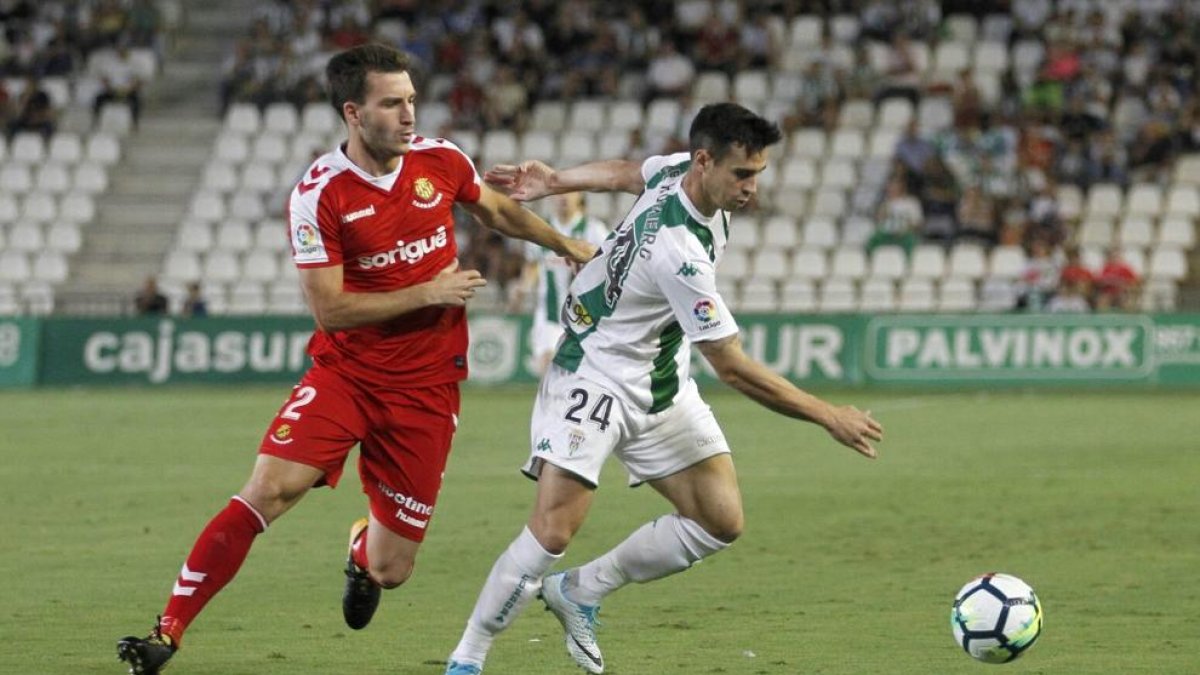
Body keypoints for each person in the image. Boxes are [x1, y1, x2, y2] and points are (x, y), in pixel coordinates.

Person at [115, 44, 596, 675]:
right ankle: (168, 631)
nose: (408, 115)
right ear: (353, 112)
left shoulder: (439, 160)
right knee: (268, 490)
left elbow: (496, 208)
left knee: (392, 570)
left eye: (412, 101)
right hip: (347, 376)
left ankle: (361, 546)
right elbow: (331, 311)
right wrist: (429, 291)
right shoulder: (320, 195)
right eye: (391, 103)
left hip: (426, 389)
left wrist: (565, 243)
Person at [443, 103, 883, 675]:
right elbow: (732, 368)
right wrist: (828, 415)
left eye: (758, 174)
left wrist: (557, 181)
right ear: (706, 162)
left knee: (719, 521)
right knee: (553, 529)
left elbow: (630, 171)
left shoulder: (680, 173)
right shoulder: (680, 255)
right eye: (742, 175)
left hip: (659, 373)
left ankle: (579, 591)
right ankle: (467, 658)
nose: (752, 188)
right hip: (595, 371)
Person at [510, 191, 610, 376]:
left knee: (581, 374)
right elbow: (533, 264)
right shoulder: (541, 230)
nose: (563, 197)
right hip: (550, 313)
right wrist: (523, 288)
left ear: (580, 198)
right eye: (559, 193)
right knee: (547, 368)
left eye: (570, 192)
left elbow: (610, 265)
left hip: (584, 315)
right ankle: (550, 404)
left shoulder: (593, 229)